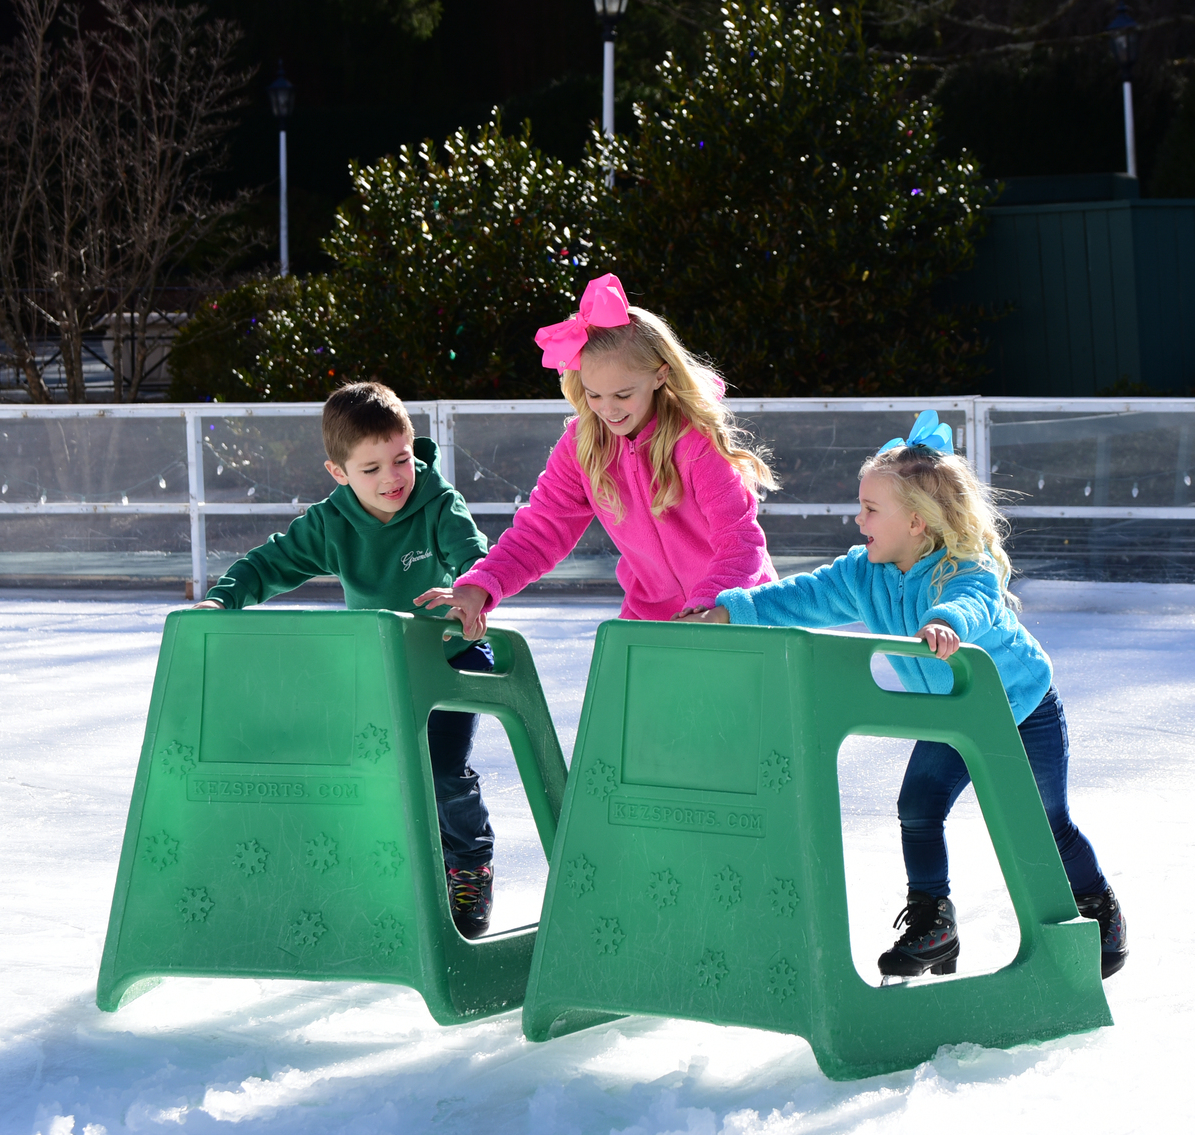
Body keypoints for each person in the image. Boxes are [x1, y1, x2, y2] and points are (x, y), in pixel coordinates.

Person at [685, 409, 1127, 981]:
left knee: (1043, 818)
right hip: (950, 717)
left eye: (871, 509)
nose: (858, 518)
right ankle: (932, 926)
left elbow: (974, 602)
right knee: (917, 808)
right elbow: (802, 596)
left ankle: (1097, 904)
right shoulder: (862, 573)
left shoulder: (964, 568)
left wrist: (944, 622)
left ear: (917, 523)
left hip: (1021, 710)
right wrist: (731, 611)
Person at [194, 381, 501, 939]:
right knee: (368, 772)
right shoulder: (332, 522)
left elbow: (471, 555)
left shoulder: (437, 502)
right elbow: (267, 562)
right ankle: (383, 868)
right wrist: (221, 598)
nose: (392, 478)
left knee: (441, 771)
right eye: (371, 469)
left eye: (402, 459)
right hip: (379, 665)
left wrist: (468, 590)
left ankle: (469, 867)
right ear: (338, 472)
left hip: (450, 656)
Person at [414, 273, 778, 638]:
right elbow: (541, 530)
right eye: (594, 394)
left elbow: (739, 541)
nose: (608, 410)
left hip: (732, 614)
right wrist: (481, 583)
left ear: (660, 376)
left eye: (622, 394)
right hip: (649, 621)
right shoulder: (583, 445)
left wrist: (707, 609)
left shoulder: (695, 443)